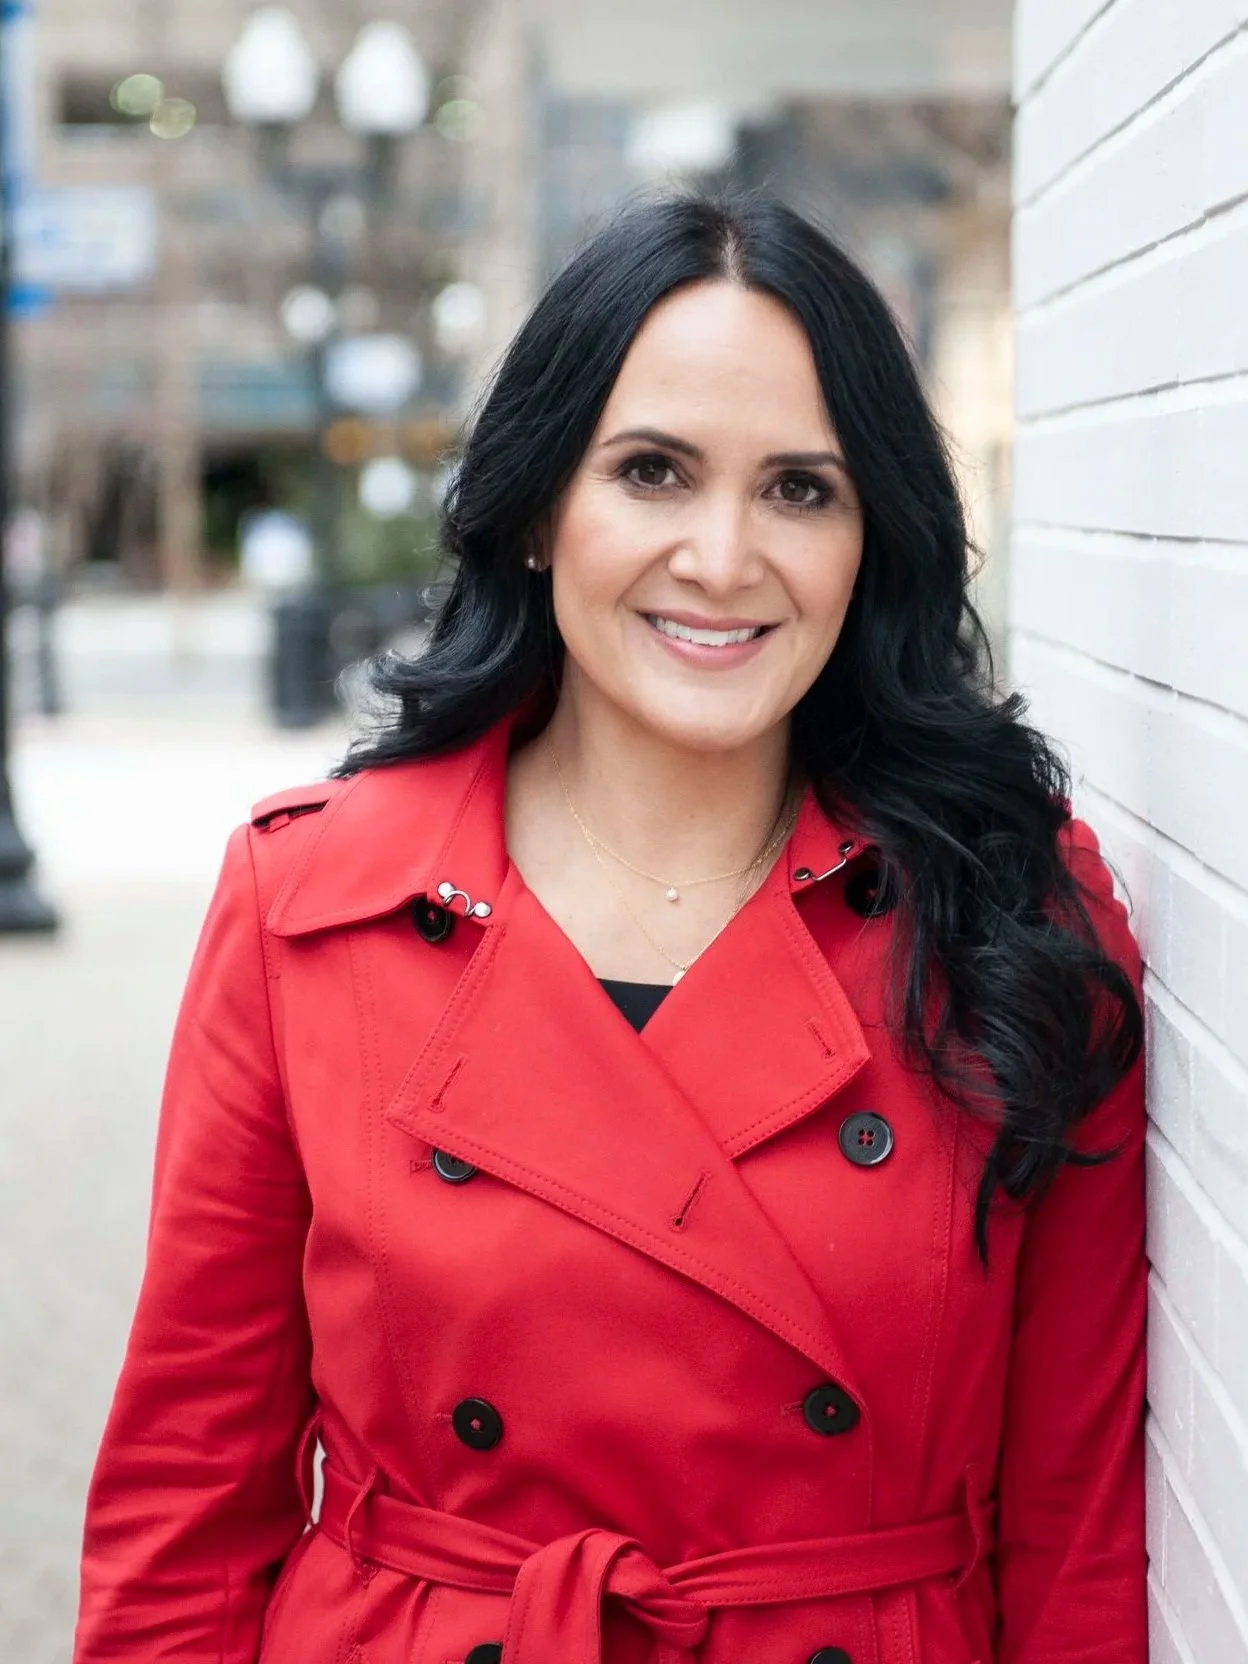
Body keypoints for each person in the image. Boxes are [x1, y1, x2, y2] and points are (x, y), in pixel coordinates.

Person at [73, 194, 1146, 1664]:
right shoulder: (310, 905)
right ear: (534, 508)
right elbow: (184, 1510)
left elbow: (1078, 1526)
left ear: (871, 540)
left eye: (800, 489)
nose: (721, 557)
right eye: (652, 471)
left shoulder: (1012, 916)